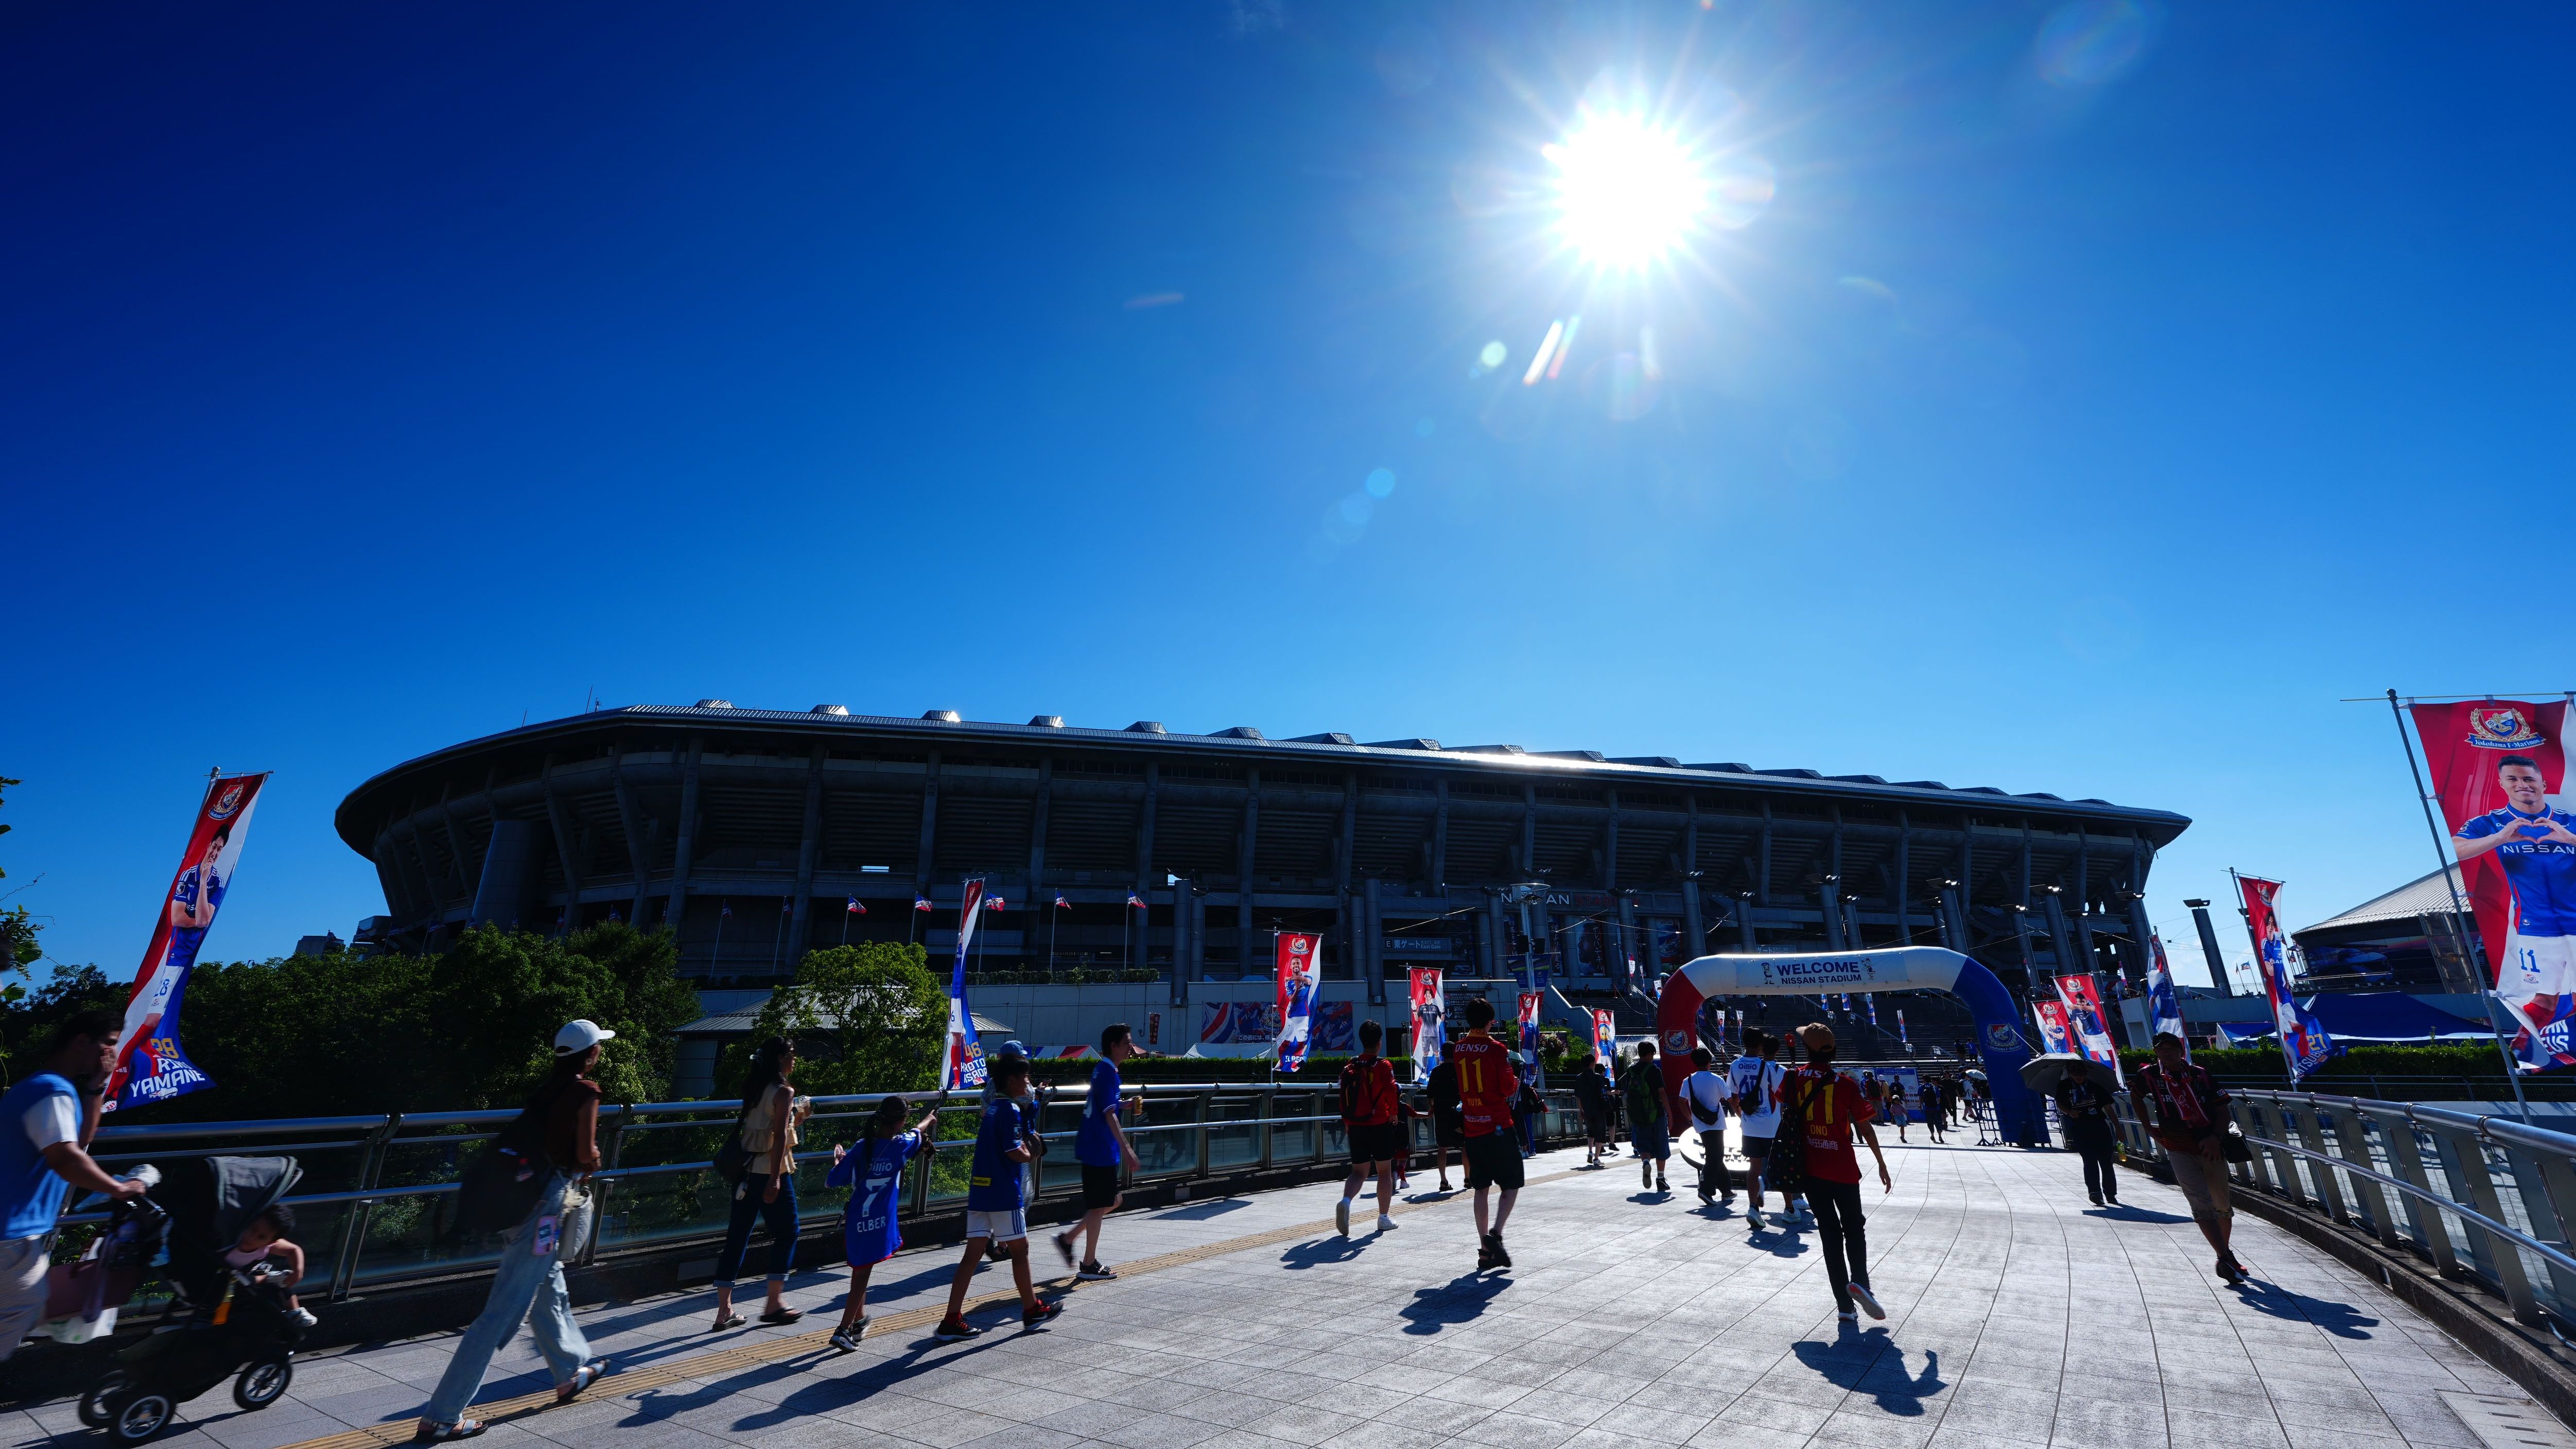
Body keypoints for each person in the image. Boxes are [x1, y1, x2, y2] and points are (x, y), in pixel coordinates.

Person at [415, 1020, 612, 1442]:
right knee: (500, 1314)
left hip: (518, 1203)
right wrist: (594, 1156)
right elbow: (584, 1156)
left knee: (549, 1287)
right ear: (591, 1053)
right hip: (544, 1208)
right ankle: (442, 1415)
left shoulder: (547, 1089)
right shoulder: (585, 1091)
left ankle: (569, 1372)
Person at [0, 1010, 147, 1367]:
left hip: (12, 1232)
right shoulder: (52, 1090)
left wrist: (98, 1085)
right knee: (26, 1305)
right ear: (81, 1041)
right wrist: (120, 1188)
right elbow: (66, 1159)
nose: (114, 1051)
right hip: (11, 1236)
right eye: (110, 1043)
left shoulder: (39, 1086)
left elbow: (79, 1142)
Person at [933, 1055, 1062, 1340]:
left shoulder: (992, 1109)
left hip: (981, 1191)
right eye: (1025, 1078)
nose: (1028, 1084)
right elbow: (1014, 1152)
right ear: (1013, 1080)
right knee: (1021, 1250)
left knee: (972, 1255)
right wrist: (1032, 1153)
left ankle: (951, 1319)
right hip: (1004, 1193)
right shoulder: (1011, 1111)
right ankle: (1031, 1310)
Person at [2455, 754, 2576, 1035]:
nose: (2522, 784)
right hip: (2535, 928)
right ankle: (2536, 1049)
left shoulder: (2569, 821)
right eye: (2513, 779)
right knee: (2545, 998)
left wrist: (2570, 839)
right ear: (2502, 784)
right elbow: (2456, 848)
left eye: (2528, 778)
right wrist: (2500, 838)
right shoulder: (2490, 822)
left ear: (2543, 783)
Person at [1784, 1022, 1892, 1324]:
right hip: (1843, 1168)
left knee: (1830, 1235)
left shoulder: (1792, 1078)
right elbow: (1865, 1126)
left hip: (1809, 1169)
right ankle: (1861, 1283)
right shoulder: (1845, 1084)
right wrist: (1881, 1162)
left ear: (1806, 1049)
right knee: (1854, 1229)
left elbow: (1783, 1107)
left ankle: (1845, 1306)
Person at [826, 1094, 942, 1351]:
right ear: (901, 1121)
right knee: (862, 1277)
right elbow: (916, 1133)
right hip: (878, 1223)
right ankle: (843, 1329)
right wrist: (929, 1119)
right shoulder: (900, 1146)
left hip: (858, 1221)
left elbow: (834, 1179)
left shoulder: (861, 1146)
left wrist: (839, 1160)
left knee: (861, 1270)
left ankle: (858, 1320)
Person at [712, 1035, 808, 1330]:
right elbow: (778, 1137)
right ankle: (774, 1303)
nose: (795, 1059)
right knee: (788, 1232)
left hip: (745, 1171)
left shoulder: (755, 1087)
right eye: (792, 1054)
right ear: (780, 1058)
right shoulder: (784, 1091)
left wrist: (795, 1118)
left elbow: (762, 1128)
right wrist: (775, 1179)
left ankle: (724, 1310)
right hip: (769, 1170)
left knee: (738, 1236)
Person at [2133, 1032, 2244, 1283]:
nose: (2167, 1053)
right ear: (2156, 1052)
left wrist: (2216, 1137)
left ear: (2181, 1050)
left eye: (2172, 1048)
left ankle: (2224, 1254)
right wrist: (2148, 1127)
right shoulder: (2148, 1076)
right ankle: (2225, 1255)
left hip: (2210, 1145)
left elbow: (2222, 1109)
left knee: (2222, 1205)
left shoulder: (2200, 1074)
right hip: (2177, 1146)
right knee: (2199, 1202)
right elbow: (2136, 1097)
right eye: (2162, 1049)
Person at [1057, 1023, 1142, 1277]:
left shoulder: (1105, 1071)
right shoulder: (1107, 1072)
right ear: (1114, 1046)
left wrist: (1123, 1105)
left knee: (1110, 1201)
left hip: (1096, 1147)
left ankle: (1069, 1240)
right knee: (1102, 1204)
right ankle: (1088, 1263)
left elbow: (1108, 1106)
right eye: (1127, 1043)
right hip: (1100, 1149)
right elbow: (1108, 1115)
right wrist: (1127, 1149)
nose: (1130, 1048)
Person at [1449, 998, 1522, 1270]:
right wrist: (1514, 1080)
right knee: (1512, 1183)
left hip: (1473, 1126)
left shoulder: (1458, 1049)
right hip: (1499, 1125)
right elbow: (1507, 1088)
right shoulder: (1497, 1049)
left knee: (1481, 1189)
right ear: (1490, 1020)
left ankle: (1484, 1252)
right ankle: (1496, 1234)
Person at [1334, 1019, 1405, 1238]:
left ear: (1361, 1040)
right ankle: (1383, 1218)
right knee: (1384, 1172)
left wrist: (1347, 1122)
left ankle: (1346, 1201)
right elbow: (1392, 1090)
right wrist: (1394, 1113)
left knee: (1359, 1172)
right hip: (1379, 1124)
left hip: (1356, 1125)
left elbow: (1343, 1096)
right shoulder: (1383, 1065)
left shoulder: (1351, 1065)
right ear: (1379, 1042)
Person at [1726, 1031, 1785, 1229]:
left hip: (1749, 1124)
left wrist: (1740, 1114)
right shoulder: (1767, 1067)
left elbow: (1733, 1096)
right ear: (1761, 1045)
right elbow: (1779, 1094)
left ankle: (1753, 1207)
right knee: (1780, 1165)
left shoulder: (1734, 1066)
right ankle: (1790, 1207)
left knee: (1754, 1167)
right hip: (1771, 1123)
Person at [225, 1202, 317, 1328]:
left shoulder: (268, 1246)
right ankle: (271, 1280)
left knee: (279, 1280)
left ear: (271, 1242)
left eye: (261, 1237)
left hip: (245, 1277)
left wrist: (298, 1270)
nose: (251, 1238)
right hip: (226, 1283)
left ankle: (294, 1311)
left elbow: (293, 1250)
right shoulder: (232, 1238)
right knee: (269, 1278)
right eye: (253, 1228)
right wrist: (266, 1279)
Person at [2056, 1060, 2121, 1207]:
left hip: (2099, 1126)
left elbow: (2109, 1109)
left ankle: (2110, 1193)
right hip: (2080, 1128)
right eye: (2075, 1074)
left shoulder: (2095, 1087)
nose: (2079, 1077)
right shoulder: (2064, 1086)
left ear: (2086, 1074)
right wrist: (2069, 1111)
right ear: (2070, 1074)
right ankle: (2095, 1192)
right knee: (2090, 1160)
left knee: (2106, 1162)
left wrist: (2118, 1128)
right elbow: (2059, 1102)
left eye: (2081, 1074)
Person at [1679, 1046, 1734, 1207]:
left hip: (1700, 1124)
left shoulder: (1688, 1080)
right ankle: (1705, 1189)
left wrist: (1690, 1118)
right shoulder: (1717, 1079)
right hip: (1716, 1123)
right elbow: (1730, 1099)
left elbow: (1681, 1102)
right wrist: (1740, 1114)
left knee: (1715, 1155)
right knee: (1715, 1156)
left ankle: (1727, 1190)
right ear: (1710, 1062)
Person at [1622, 1041, 1670, 1194]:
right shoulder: (1654, 1070)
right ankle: (1661, 1178)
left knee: (1644, 1143)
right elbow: (1662, 1093)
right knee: (1661, 1145)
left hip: (1639, 1115)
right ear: (1649, 1054)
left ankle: (1646, 1162)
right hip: (1656, 1113)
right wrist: (1670, 1113)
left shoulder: (1630, 1071)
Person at [1426, 1055, 1466, 1193]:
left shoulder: (1436, 1071)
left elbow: (1430, 1095)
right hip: (1458, 1113)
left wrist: (1432, 1106)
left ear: (1443, 1054)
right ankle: (1468, 1179)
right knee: (1465, 1146)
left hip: (1441, 1113)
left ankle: (1443, 1181)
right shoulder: (1459, 1069)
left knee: (1442, 1148)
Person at [1571, 1050, 1612, 1167]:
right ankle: (1596, 1158)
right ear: (1592, 1064)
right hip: (1599, 1109)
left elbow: (1578, 1095)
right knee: (1600, 1133)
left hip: (1587, 1109)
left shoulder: (1579, 1078)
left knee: (1590, 1131)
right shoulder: (1598, 1077)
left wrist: (1581, 1110)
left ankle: (1590, 1150)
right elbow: (1603, 1092)